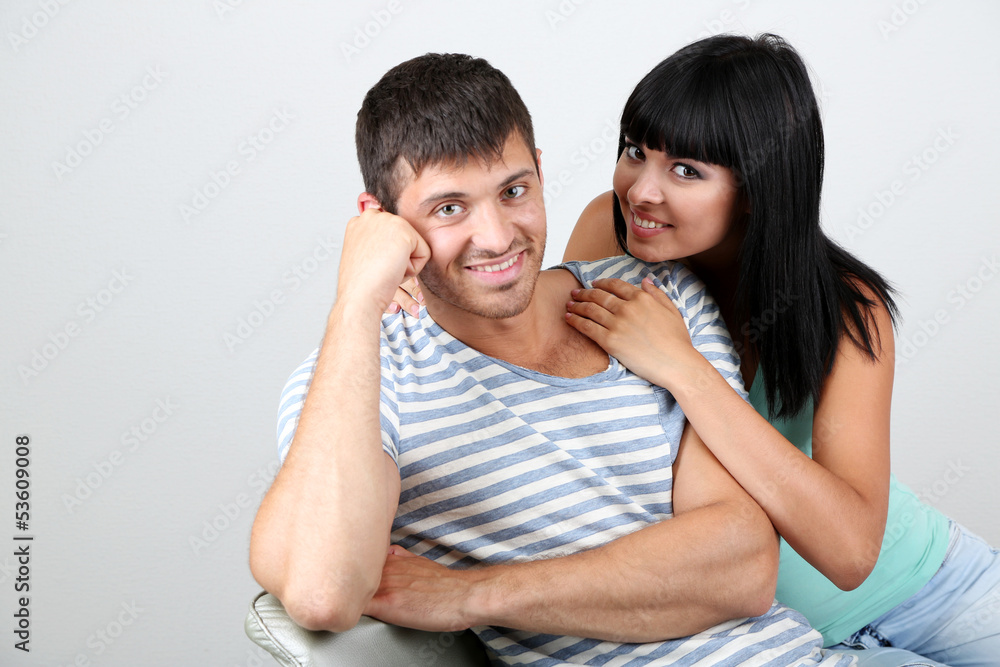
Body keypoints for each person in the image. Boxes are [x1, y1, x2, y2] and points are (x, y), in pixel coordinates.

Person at [249, 52, 857, 665]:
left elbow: (744, 567)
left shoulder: (654, 295)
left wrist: (472, 595)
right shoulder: (361, 382)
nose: (496, 237)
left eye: (513, 191)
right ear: (379, 221)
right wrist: (356, 301)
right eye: (449, 208)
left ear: (540, 173)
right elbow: (323, 592)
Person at [555, 33, 1000, 666]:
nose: (642, 190)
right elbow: (542, 379)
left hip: (938, 590)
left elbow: (850, 552)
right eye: (635, 151)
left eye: (686, 170)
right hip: (786, 641)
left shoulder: (845, 308)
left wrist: (684, 367)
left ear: (758, 184)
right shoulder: (613, 231)